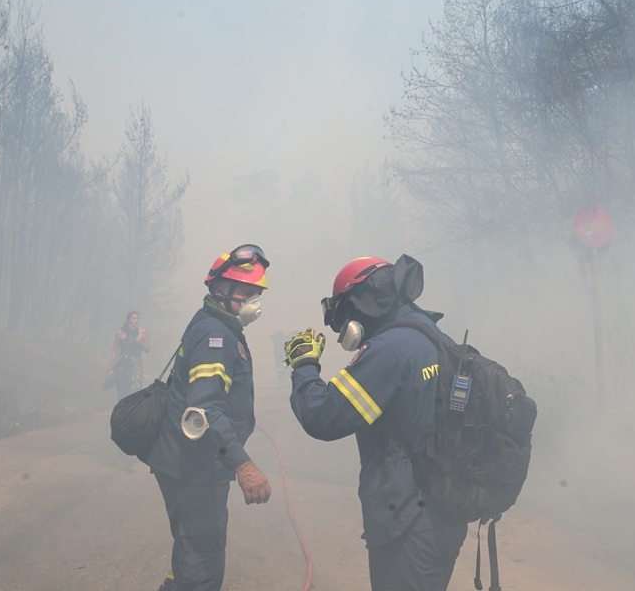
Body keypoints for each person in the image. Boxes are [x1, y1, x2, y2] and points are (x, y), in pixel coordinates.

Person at [283, 254, 467, 591]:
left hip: (408, 518)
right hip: (445, 509)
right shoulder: (431, 335)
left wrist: (305, 364)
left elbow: (323, 418)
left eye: (343, 319)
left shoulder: (388, 350)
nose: (345, 331)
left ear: (360, 304)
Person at [145, 244, 273, 591]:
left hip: (196, 466)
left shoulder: (218, 327)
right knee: (202, 562)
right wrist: (243, 465)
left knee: (192, 553)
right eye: (245, 292)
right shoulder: (215, 336)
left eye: (255, 293)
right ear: (220, 290)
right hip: (194, 469)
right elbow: (203, 412)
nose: (253, 301)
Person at [108, 310, 151, 399]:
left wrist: (140, 343)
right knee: (122, 390)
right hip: (123, 365)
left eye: (138, 319)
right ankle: (121, 410)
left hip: (136, 366)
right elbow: (114, 352)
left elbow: (148, 349)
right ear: (128, 321)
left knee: (134, 391)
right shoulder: (120, 333)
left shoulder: (142, 332)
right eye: (134, 318)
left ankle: (131, 411)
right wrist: (110, 369)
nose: (136, 320)